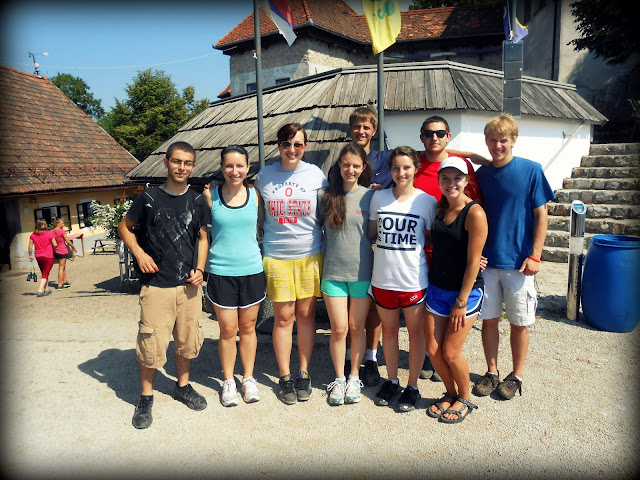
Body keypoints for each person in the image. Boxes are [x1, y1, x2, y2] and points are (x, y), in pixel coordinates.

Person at [118, 141, 210, 429]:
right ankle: (146, 396)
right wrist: (139, 253)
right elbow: (124, 227)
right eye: (177, 161)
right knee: (151, 343)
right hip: (156, 285)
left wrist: (201, 270)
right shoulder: (148, 198)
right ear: (166, 162)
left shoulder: (198, 201)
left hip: (189, 285)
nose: (182, 167)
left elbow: (203, 238)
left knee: (187, 341)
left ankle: (182, 386)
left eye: (187, 163)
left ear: (193, 166)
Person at [472, 114, 555, 400]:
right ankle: (492, 371)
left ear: (513, 140)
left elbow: (541, 214)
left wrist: (536, 255)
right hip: (487, 262)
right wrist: (473, 156)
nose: (497, 145)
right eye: (492, 140)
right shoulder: (481, 175)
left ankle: (517, 376)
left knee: (519, 322)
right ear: (485, 142)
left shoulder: (531, 170)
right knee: (489, 320)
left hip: (520, 263)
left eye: (503, 140)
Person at [254, 123, 328, 405]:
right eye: (286, 144)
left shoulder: (315, 174)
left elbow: (329, 209)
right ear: (279, 146)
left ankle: (304, 372)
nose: (292, 149)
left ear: (305, 146)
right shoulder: (265, 176)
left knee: (307, 317)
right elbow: (252, 209)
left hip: (310, 254)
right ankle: (285, 376)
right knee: (284, 318)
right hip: (277, 256)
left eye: (298, 144)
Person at [413, 115, 489, 382]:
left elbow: (475, 220)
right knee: (432, 324)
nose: (434, 138)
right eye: (428, 133)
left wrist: (475, 255)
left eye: (440, 133)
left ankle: (453, 374)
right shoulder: (415, 163)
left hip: (456, 261)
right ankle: (434, 359)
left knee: (450, 345)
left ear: (448, 135)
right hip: (427, 255)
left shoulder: (466, 183)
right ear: (421, 137)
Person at [368, 146, 437, 412]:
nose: (401, 172)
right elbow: (372, 233)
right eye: (396, 167)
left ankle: (413, 387)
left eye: (406, 167)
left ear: (415, 169)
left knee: (416, 335)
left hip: (413, 280)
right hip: (383, 278)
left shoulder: (427, 201)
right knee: (389, 332)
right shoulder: (379, 198)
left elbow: (434, 238)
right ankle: (393, 380)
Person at [424, 157, 487, 424]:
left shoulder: (475, 213)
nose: (451, 183)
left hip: (465, 294)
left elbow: (474, 262)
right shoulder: (439, 209)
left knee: (450, 352)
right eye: (445, 178)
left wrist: (461, 302)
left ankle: (465, 397)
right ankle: (450, 391)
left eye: (457, 178)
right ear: (439, 181)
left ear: (466, 180)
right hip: (437, 289)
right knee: (433, 349)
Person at [202, 145, 266, 407]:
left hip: (251, 270)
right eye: (229, 165)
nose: (235, 170)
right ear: (221, 167)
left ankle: (248, 378)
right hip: (221, 272)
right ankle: (228, 380)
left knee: (248, 328)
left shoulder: (256, 195)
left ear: (248, 168)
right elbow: (201, 234)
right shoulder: (210, 195)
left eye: (240, 165)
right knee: (228, 330)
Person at [319, 144, 374, 406]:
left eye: (356, 165)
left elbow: (374, 234)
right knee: (339, 329)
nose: (350, 169)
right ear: (339, 165)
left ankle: (354, 376)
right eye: (346, 164)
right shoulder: (324, 196)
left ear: (363, 168)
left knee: (356, 327)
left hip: (362, 273)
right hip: (332, 273)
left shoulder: (370, 197)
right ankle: (339, 379)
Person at [346, 106, 392, 388]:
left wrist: (472, 156)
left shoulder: (385, 158)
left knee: (373, 304)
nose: (361, 131)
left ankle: (371, 358)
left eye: (366, 127)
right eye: (357, 126)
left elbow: (422, 157)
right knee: (352, 305)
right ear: (350, 130)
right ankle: (350, 355)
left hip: (379, 244)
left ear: (374, 131)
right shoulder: (343, 160)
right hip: (351, 243)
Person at [28, 219, 57, 297]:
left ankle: (46, 289)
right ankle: (40, 290)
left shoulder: (33, 235)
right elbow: (55, 244)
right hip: (48, 255)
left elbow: (30, 247)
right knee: (46, 273)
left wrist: (30, 255)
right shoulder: (49, 233)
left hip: (38, 255)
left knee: (44, 271)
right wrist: (54, 250)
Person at [51, 217, 77, 289]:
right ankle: (60, 284)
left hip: (55, 251)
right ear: (57, 224)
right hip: (62, 250)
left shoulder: (51, 231)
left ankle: (65, 281)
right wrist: (73, 247)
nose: (63, 224)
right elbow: (68, 241)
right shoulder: (62, 231)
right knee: (61, 268)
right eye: (62, 223)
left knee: (63, 267)